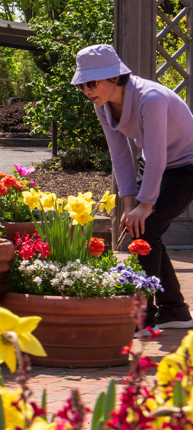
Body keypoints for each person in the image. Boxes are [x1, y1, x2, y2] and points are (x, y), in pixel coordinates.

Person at [71, 43, 193, 330]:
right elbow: (120, 154)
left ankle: (141, 318)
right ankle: (174, 310)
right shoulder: (102, 103)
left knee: (147, 228)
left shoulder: (150, 98)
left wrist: (146, 204)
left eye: (91, 83)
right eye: (82, 85)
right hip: (153, 163)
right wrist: (129, 204)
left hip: (186, 166)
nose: (87, 90)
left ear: (114, 77)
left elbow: (158, 154)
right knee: (143, 229)